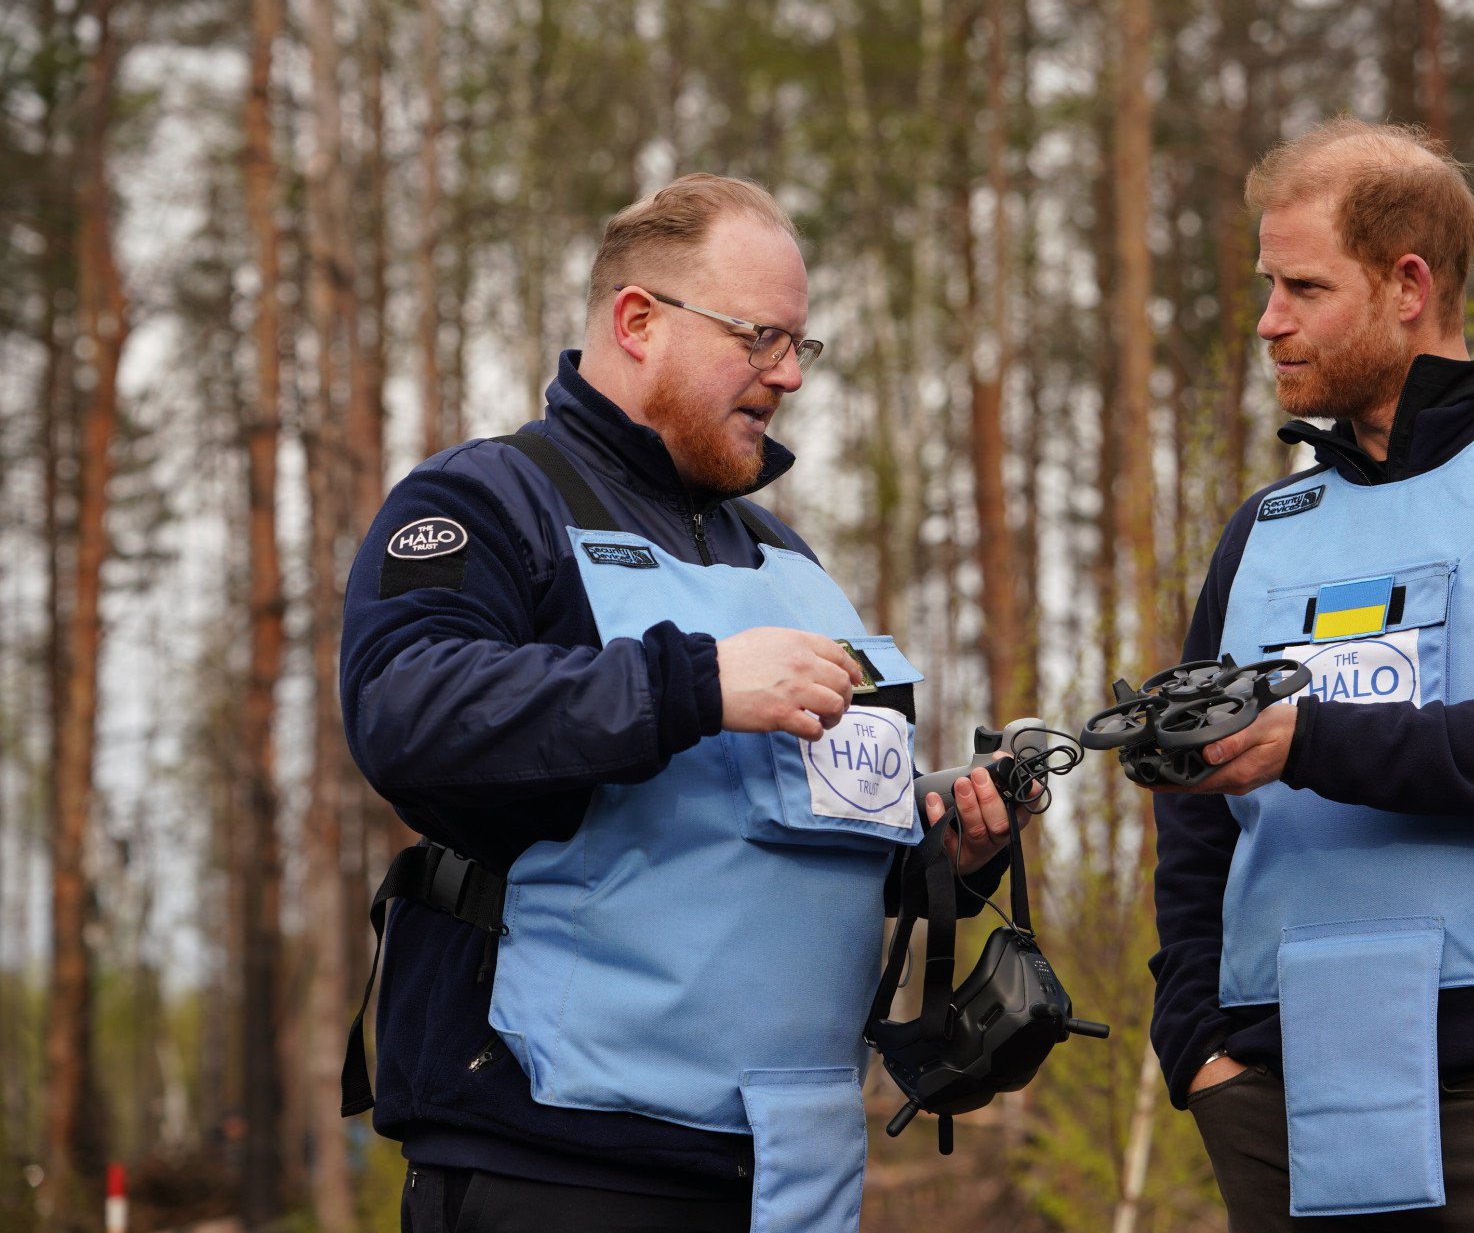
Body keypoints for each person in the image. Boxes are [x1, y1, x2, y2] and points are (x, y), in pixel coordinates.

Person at [339, 174, 1027, 1233]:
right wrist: (693, 683)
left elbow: (796, 839)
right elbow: (406, 709)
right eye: (761, 336)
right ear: (638, 322)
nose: (790, 373)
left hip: (796, 1169)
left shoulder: (793, 561)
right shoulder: (486, 501)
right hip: (561, 1162)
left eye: (801, 344)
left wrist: (946, 855)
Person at [1149, 119, 1474, 1230]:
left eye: (1302, 286)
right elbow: (1198, 814)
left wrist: (1313, 738)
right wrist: (1193, 1037)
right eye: (1267, 284)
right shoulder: (1263, 527)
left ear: (1408, 284)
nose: (1269, 321)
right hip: (1277, 1092)